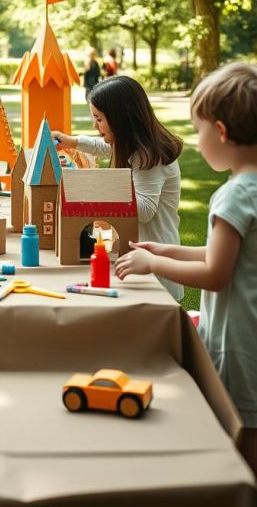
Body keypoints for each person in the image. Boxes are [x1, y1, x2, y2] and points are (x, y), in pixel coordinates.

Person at [115, 63, 257, 477]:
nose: (197, 142)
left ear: (222, 132)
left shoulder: (232, 196)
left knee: (241, 435)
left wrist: (152, 262)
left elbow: (217, 274)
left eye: (199, 132)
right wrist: (168, 248)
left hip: (238, 342)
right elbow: (228, 254)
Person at [52, 74, 184, 300]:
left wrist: (99, 186)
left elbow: (144, 211)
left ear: (121, 119)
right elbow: (103, 146)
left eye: (99, 119)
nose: (95, 125)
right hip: (138, 252)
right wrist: (72, 142)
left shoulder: (148, 155)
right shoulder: (132, 142)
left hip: (155, 261)